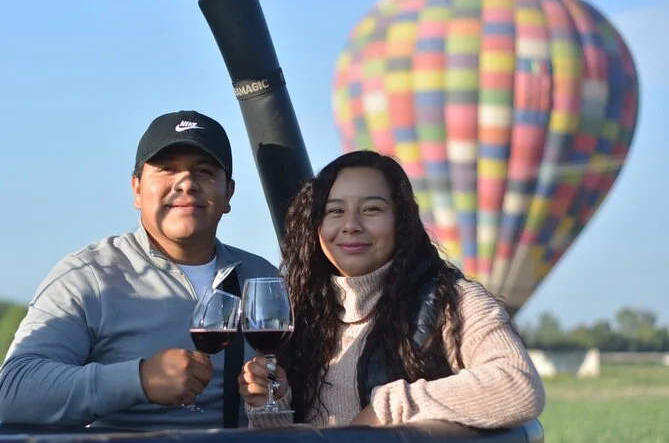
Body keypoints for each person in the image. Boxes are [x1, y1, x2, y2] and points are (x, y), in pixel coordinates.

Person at [0, 110, 277, 430]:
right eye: (167, 169)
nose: (187, 184)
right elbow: (13, 393)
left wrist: (278, 394)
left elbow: (302, 395)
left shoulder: (263, 278)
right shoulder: (88, 276)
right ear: (136, 189)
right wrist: (140, 379)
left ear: (228, 193)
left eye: (204, 171)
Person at [239, 150, 545, 429]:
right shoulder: (302, 313)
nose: (351, 225)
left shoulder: (450, 301)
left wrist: (386, 408)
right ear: (315, 225)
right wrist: (271, 406)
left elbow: (518, 385)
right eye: (335, 211)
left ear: (402, 220)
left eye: (371, 209)